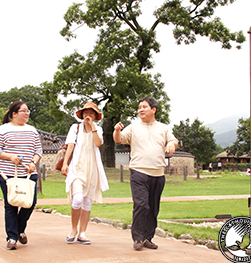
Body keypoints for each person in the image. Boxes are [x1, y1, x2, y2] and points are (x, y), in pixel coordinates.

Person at [113, 97, 178, 251]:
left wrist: (170, 144)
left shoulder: (163, 128)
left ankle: (148, 238)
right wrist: (117, 131)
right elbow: (119, 139)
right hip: (139, 171)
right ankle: (138, 238)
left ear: (153, 109)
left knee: (153, 208)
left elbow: (173, 141)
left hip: (158, 174)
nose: (140, 110)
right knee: (141, 205)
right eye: (139, 107)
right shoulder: (134, 127)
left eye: (144, 107)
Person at [0, 101, 42, 250]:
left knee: (30, 203)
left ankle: (20, 229)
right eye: (24, 111)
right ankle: (12, 237)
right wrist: (10, 157)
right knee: (11, 206)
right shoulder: (2, 130)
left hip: (28, 174)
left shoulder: (32, 130)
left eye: (28, 111)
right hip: (8, 174)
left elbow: (38, 150)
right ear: (14, 114)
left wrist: (33, 162)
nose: (27, 114)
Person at [61, 101, 109, 245]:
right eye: (86, 112)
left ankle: (82, 233)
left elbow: (98, 143)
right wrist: (65, 163)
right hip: (77, 168)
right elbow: (70, 145)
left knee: (87, 201)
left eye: (91, 113)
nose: (88, 115)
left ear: (95, 116)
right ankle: (73, 229)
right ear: (81, 114)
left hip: (92, 169)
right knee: (77, 199)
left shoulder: (98, 129)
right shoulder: (75, 128)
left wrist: (92, 127)